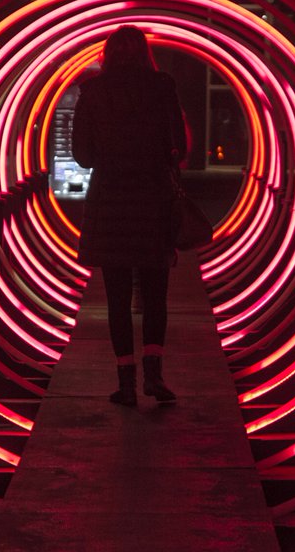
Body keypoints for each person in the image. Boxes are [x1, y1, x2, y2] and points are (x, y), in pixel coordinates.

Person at [71, 25, 188, 406]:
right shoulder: (163, 86)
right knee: (155, 295)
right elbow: (180, 146)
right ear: (144, 54)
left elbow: (83, 157)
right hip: (152, 200)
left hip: (111, 203)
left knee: (117, 298)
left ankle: (125, 382)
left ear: (106, 53)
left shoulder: (92, 92)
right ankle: (154, 374)